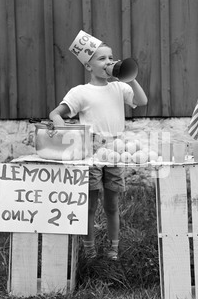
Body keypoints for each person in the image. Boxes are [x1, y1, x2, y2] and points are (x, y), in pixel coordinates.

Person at [49, 31, 148, 261]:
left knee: (112, 205)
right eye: (102, 59)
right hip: (91, 151)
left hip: (115, 150)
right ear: (89, 66)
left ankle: (113, 249)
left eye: (111, 57)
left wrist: (129, 77)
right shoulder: (80, 92)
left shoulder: (119, 88)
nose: (109, 62)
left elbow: (142, 101)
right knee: (90, 205)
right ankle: (89, 249)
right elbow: (56, 112)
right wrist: (60, 125)